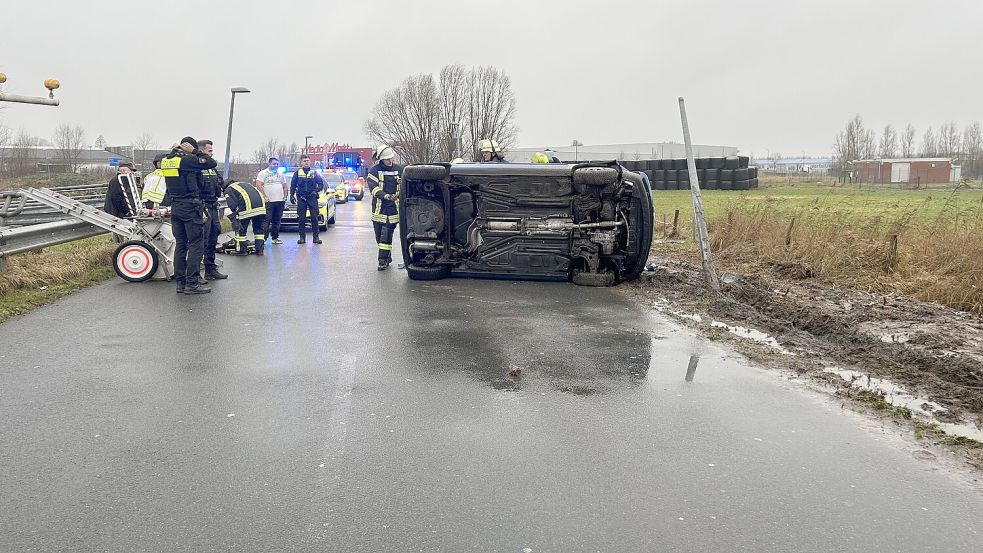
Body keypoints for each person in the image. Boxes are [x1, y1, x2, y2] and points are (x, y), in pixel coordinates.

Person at [160, 136, 217, 295]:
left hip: (176, 206)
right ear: (188, 148)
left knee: (181, 245)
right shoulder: (187, 161)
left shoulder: (167, 160)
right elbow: (211, 163)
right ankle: (192, 283)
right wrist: (195, 152)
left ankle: (181, 282)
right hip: (190, 207)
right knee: (196, 244)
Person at [366, 144, 403, 270]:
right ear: (381, 159)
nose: (390, 161)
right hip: (379, 209)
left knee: (386, 234)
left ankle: (382, 261)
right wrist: (386, 196)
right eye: (387, 159)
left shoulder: (400, 169)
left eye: (391, 158)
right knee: (379, 237)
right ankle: (387, 257)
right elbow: (374, 188)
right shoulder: (374, 171)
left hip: (394, 209)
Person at [197, 140, 227, 280]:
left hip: (213, 205)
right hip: (203, 206)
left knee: (213, 237)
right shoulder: (196, 165)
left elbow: (220, 181)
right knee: (203, 239)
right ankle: (196, 273)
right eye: (209, 151)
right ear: (202, 150)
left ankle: (210, 269)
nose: (212, 153)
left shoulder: (211, 167)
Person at [224, 179, 267, 256]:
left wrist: (235, 213)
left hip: (247, 208)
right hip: (261, 208)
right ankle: (259, 250)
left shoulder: (229, 189)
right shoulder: (245, 183)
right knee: (259, 230)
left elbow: (232, 204)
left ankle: (242, 250)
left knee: (241, 230)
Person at [290, 154, 325, 244]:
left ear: (310, 162)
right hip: (301, 198)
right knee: (301, 219)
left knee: (314, 218)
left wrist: (316, 191)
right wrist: (291, 195)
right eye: (304, 161)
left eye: (307, 161)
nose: (306, 162)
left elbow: (321, 184)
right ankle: (302, 238)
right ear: (301, 162)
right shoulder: (297, 173)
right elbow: (293, 185)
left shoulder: (314, 173)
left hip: (312, 197)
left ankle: (316, 238)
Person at [255, 157, 288, 245]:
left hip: (280, 200)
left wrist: (285, 197)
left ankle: (275, 237)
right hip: (268, 201)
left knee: (277, 220)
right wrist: (264, 196)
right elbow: (258, 185)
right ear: (269, 164)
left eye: (277, 164)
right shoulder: (263, 173)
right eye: (274, 164)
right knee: (267, 220)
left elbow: (285, 186)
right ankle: (264, 238)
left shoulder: (280, 174)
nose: (276, 166)